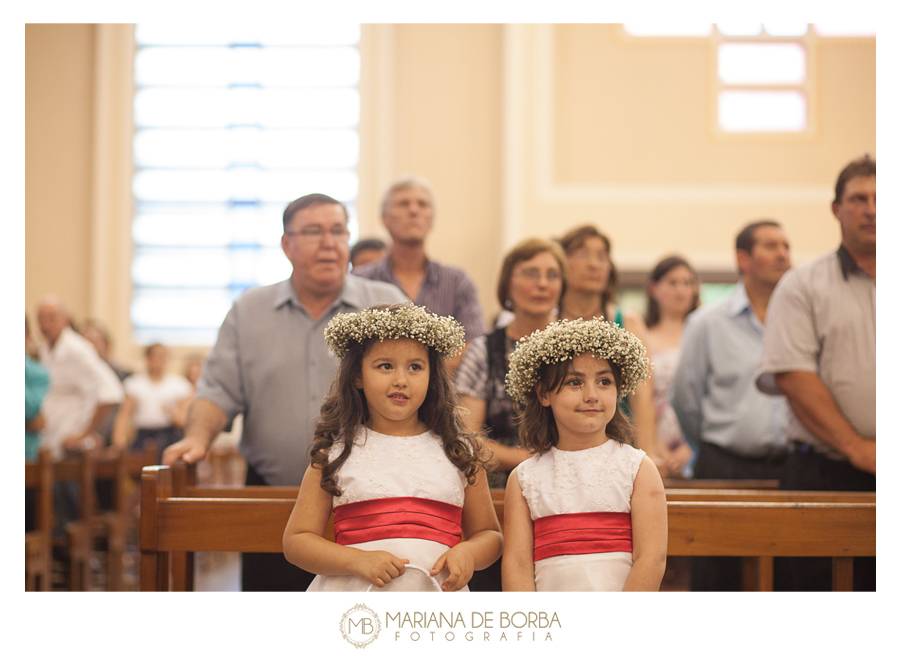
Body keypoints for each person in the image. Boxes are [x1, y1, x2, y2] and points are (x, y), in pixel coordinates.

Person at [162, 192, 407, 591]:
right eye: (313, 231)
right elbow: (218, 390)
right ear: (286, 244)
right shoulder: (249, 310)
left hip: (368, 499)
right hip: (271, 499)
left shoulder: (385, 305)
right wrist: (195, 438)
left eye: (337, 230)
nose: (328, 242)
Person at [282, 303, 503, 591]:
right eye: (385, 366)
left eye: (415, 367)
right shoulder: (336, 453)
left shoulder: (458, 452)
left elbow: (490, 534)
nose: (401, 380)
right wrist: (356, 560)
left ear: (431, 375)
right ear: (357, 375)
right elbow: (297, 540)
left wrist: (469, 552)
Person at [755, 155, 876, 591]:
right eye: (858, 199)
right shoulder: (803, 284)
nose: (872, 209)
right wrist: (857, 447)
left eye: (881, 199)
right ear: (836, 209)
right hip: (827, 473)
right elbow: (793, 375)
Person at [501, 318, 667, 591]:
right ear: (543, 393)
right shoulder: (524, 478)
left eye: (604, 381)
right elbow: (517, 564)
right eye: (574, 382)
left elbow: (651, 558)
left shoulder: (637, 469)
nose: (591, 395)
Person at [670, 220, 792, 590]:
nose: (783, 254)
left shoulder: (799, 319)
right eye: (771, 245)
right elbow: (685, 398)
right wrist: (710, 443)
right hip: (724, 465)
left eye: (786, 245)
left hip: (792, 468)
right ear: (743, 258)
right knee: (719, 581)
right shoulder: (708, 323)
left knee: (789, 579)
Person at [454, 237, 566, 591]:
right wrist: (525, 460)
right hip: (500, 495)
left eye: (552, 274)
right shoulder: (484, 352)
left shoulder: (579, 350)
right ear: (508, 284)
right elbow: (468, 438)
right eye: (530, 273)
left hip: (568, 491)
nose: (543, 283)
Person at [557, 225, 664, 473]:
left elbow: (644, 400)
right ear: (561, 263)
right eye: (582, 254)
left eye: (602, 256)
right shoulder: (547, 323)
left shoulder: (628, 323)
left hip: (617, 447)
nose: (594, 264)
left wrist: (646, 456)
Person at [351, 176, 488, 356]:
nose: (414, 210)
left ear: (431, 220)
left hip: (446, 383)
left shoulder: (457, 282)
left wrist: (421, 372)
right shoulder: (359, 280)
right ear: (385, 219)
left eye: (422, 204)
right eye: (403, 204)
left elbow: (475, 345)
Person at [36, 296, 125, 530]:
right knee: (50, 508)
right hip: (52, 443)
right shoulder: (46, 350)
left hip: (70, 445)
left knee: (68, 514)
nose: (45, 325)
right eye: (41, 319)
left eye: (51, 318)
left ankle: (75, 560)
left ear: (65, 319)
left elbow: (110, 393)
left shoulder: (77, 348)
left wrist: (85, 433)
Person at [643, 256, 700, 477]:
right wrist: (655, 446)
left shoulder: (703, 334)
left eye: (687, 283)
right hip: (654, 439)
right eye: (673, 283)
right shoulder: (643, 335)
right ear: (654, 288)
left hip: (697, 441)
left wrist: (690, 448)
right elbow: (640, 398)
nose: (681, 291)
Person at [112, 343, 193, 461]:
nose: (159, 361)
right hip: (143, 436)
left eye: (163, 357)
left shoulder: (179, 386)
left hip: (168, 435)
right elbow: (124, 415)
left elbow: (185, 419)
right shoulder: (135, 384)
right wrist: (118, 442)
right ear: (148, 358)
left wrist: (173, 415)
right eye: (156, 356)